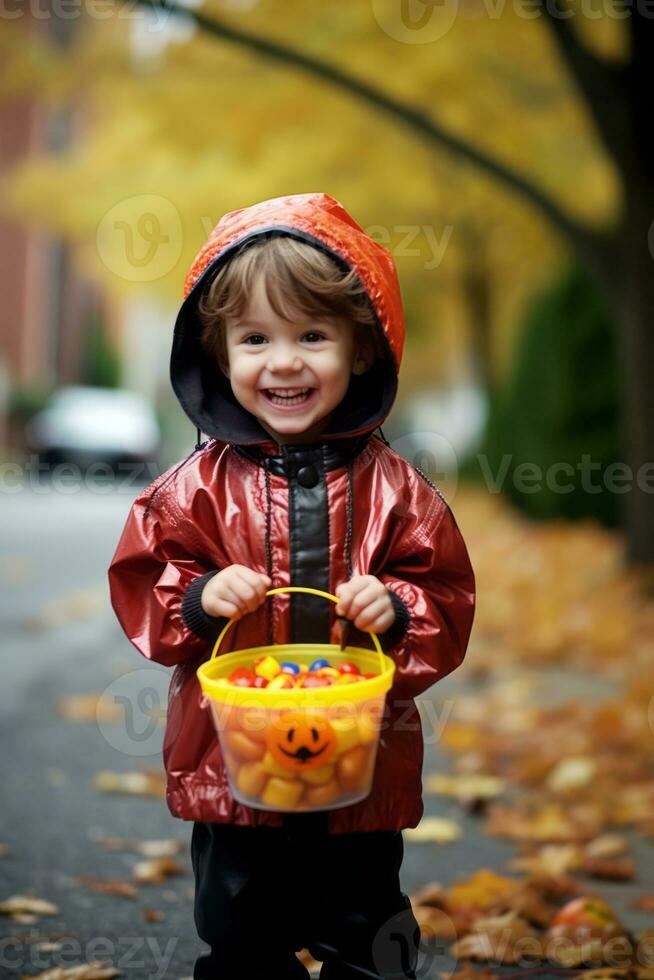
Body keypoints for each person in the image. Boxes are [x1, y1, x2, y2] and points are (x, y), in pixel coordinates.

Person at [108, 192, 476, 980]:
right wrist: (199, 600)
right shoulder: (189, 491)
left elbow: (445, 595)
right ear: (219, 353)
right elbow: (146, 584)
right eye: (255, 339)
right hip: (233, 766)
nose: (283, 361)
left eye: (313, 335)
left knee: (371, 929)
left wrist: (400, 610)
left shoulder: (399, 492)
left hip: (362, 767)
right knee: (242, 936)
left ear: (364, 350)